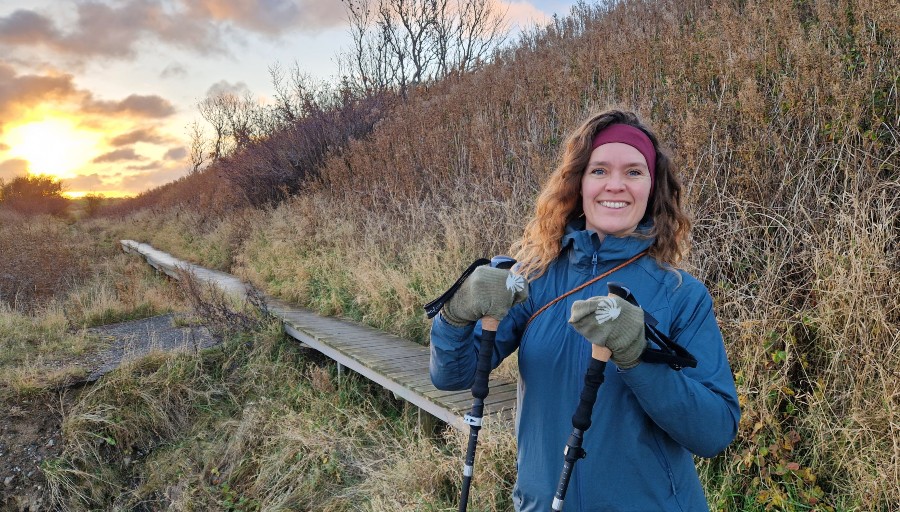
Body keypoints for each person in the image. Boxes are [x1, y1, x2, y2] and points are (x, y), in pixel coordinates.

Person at [429, 109, 740, 511]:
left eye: (633, 172)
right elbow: (451, 376)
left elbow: (714, 430)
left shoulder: (681, 295)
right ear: (578, 183)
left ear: (652, 187)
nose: (616, 185)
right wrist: (456, 314)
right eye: (599, 171)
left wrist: (637, 357)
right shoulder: (537, 278)